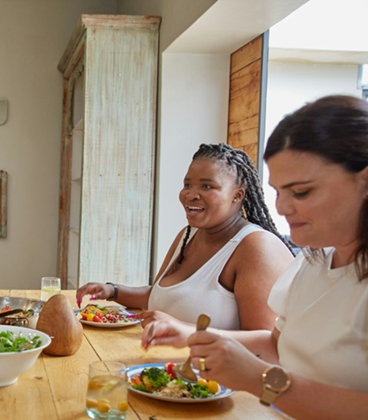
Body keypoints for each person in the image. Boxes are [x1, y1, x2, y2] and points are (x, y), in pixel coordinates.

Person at [145, 95, 368, 419]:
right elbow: (278, 343)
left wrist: (258, 379)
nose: (280, 208)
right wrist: (194, 336)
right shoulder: (315, 261)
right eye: (278, 191)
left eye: (302, 191)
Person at [77, 143, 295, 334]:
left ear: (237, 195)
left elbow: (266, 344)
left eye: (207, 186)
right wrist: (113, 291)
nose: (191, 194)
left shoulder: (257, 247)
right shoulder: (188, 235)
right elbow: (163, 296)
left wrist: (184, 330)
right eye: (187, 184)